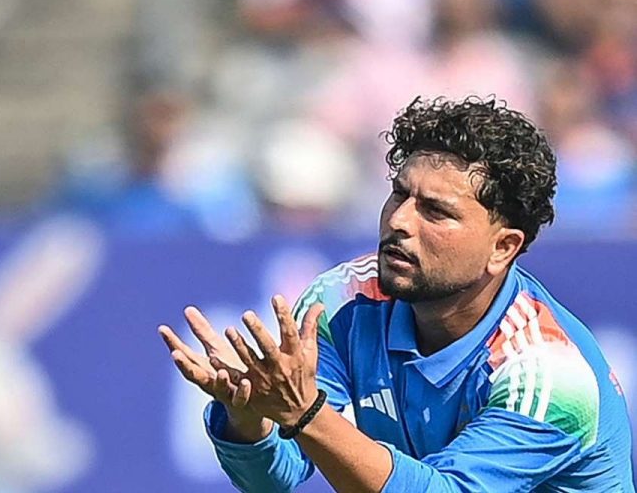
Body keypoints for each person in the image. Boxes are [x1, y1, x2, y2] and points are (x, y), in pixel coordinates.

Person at [159, 97, 634, 492]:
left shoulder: (549, 374)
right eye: (399, 195)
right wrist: (249, 419)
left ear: (503, 247)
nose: (400, 222)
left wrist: (304, 413)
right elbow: (277, 478)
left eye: (435, 211)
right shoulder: (342, 302)